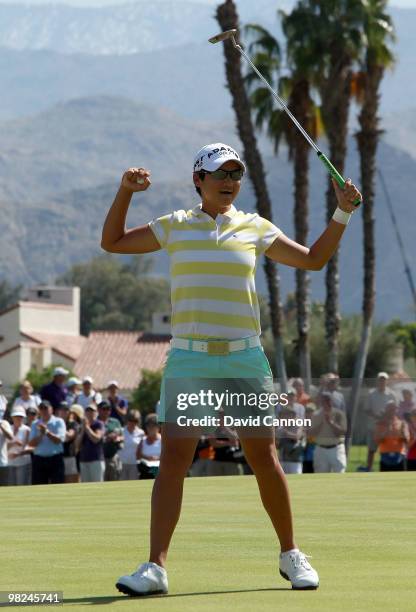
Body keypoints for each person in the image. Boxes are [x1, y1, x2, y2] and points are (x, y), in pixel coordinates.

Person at [101, 142, 361, 595]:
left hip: (244, 356)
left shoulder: (254, 226)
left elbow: (313, 260)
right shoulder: (176, 225)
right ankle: (155, 568)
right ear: (198, 180)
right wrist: (126, 191)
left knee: (264, 458)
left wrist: (341, 214)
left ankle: (290, 554)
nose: (229, 182)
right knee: (174, 463)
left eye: (236, 174)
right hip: (190, 358)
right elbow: (113, 242)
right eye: (221, 174)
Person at [364, 372, 397, 471]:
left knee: (386, 450)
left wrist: (386, 419)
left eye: (384, 379)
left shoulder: (392, 394)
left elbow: (395, 409)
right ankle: (369, 469)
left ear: (387, 381)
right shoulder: (371, 393)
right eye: (380, 379)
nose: (382, 381)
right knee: (371, 450)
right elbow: (367, 409)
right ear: (378, 380)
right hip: (373, 427)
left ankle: (387, 469)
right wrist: (378, 417)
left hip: (387, 427)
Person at [28, 400, 66, 485]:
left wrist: (47, 432)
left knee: (58, 485)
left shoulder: (58, 422)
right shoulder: (35, 424)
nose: (44, 410)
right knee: (38, 487)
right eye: (41, 408)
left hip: (55, 459)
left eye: (46, 408)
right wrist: (41, 435)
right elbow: (31, 444)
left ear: (51, 409)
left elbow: (59, 440)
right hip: (39, 460)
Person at [311, 392, 347, 473]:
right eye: (324, 401)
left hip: (336, 449)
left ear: (331, 401)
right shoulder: (316, 414)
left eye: (328, 400)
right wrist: (322, 422)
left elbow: (341, 432)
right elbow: (311, 433)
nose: (326, 403)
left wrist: (330, 422)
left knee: (339, 474)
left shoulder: (339, 414)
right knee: (320, 476)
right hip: (321, 449)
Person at [374, 401, 409, 471]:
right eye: (390, 409)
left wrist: (403, 433)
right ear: (386, 409)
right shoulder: (380, 423)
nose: (392, 411)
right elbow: (377, 441)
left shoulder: (401, 423)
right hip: (385, 454)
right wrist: (387, 430)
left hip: (399, 454)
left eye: (394, 409)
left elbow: (406, 440)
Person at [77, 404, 105, 482]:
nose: (89, 413)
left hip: (96, 460)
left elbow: (96, 439)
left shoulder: (99, 424)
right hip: (84, 460)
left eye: (92, 411)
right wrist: (83, 429)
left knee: (97, 486)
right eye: (87, 411)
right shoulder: (81, 426)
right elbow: (77, 445)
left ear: (96, 413)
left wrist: (87, 428)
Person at [276, 401, 305, 475]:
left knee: (296, 480)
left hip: (294, 459)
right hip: (282, 459)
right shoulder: (279, 427)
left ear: (293, 415)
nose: (286, 416)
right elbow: (275, 440)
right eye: (284, 414)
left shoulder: (297, 425)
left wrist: (285, 432)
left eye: (288, 414)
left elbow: (296, 437)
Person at [97, 400, 124, 481]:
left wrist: (117, 438)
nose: (106, 411)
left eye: (108, 409)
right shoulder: (95, 422)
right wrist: (107, 437)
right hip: (99, 458)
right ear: (98, 410)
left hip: (113, 457)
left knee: (114, 481)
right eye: (104, 409)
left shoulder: (115, 422)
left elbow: (122, 436)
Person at [58, 402, 82, 483]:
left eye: (66, 410)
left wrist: (60, 429)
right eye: (62, 410)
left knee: (71, 481)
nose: (64, 412)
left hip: (69, 455)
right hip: (57, 457)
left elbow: (70, 436)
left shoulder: (72, 424)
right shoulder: (56, 423)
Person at [7, 406, 31, 486]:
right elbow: (3, 446)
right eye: (16, 416)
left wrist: (18, 454)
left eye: (20, 417)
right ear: (12, 417)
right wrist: (13, 443)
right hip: (9, 462)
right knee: (10, 486)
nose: (18, 418)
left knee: (21, 485)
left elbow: (29, 447)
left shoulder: (27, 429)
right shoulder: (8, 429)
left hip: (23, 462)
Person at [118, 410, 144, 480]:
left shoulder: (141, 433)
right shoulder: (120, 431)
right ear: (127, 420)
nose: (133, 423)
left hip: (135, 465)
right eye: (131, 420)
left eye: (135, 421)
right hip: (121, 464)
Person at [136, 413, 161, 480]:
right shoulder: (142, 440)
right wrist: (147, 458)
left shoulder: (163, 440)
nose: (150, 428)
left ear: (158, 427)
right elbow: (138, 456)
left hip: (159, 471)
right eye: (148, 426)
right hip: (144, 472)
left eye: (153, 426)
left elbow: (168, 456)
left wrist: (157, 458)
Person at [0, 415, 13, 485]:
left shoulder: (4, 423)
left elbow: (11, 437)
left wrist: (1, 427)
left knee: (4, 487)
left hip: (2, 463)